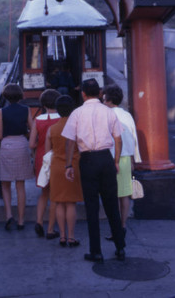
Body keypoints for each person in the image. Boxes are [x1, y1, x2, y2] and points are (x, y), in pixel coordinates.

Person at [62, 78, 126, 263]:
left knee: (92, 207)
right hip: (106, 158)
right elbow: (118, 139)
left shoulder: (77, 113)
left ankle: (96, 251)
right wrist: (115, 161)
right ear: (99, 93)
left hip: (88, 160)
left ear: (82, 94)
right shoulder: (109, 112)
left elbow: (70, 141)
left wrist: (68, 165)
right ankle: (120, 247)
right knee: (112, 205)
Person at [102, 84, 142, 239]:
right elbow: (133, 137)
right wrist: (134, 158)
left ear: (107, 98)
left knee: (110, 195)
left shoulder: (105, 115)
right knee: (124, 194)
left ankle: (114, 227)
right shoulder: (127, 115)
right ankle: (122, 225)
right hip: (125, 157)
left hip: (109, 157)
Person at [45, 95, 83, 247]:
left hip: (56, 167)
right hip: (73, 166)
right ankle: (71, 237)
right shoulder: (76, 127)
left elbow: (48, 152)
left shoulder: (52, 129)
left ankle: (61, 236)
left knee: (59, 203)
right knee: (71, 204)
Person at [0, 83, 34, 230]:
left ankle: (8, 215)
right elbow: (32, 129)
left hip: (7, 145)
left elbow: (0, 135)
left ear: (5, 96)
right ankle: (21, 220)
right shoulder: (26, 110)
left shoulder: (1, 112)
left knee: (5, 184)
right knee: (20, 185)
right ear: (20, 95)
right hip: (21, 144)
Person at [29, 88, 60, 238]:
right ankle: (50, 229)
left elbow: (31, 144)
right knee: (55, 195)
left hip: (41, 158)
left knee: (44, 193)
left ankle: (39, 221)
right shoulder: (61, 119)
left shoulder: (38, 120)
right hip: (56, 157)